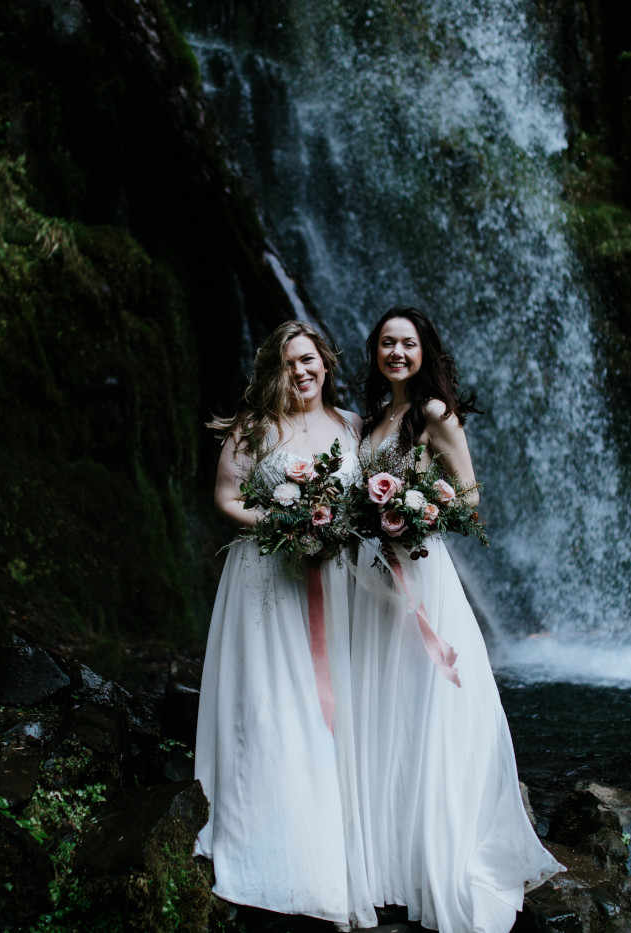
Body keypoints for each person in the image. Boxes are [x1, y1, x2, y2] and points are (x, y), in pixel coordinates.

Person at [351, 306, 563, 933]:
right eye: (386, 343)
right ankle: (386, 860)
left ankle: (435, 856)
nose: (396, 353)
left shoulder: (433, 415)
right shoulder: (374, 419)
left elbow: (467, 496)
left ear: (424, 351)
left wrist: (415, 514)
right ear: (376, 353)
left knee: (426, 708)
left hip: (421, 575)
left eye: (406, 344)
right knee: (384, 709)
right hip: (374, 582)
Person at [194, 320, 378, 930]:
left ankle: (330, 838)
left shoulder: (352, 426)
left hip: (335, 585)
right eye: (290, 364)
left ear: (326, 363)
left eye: (310, 360)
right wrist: (282, 525)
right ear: (276, 371)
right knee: (272, 705)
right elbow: (226, 498)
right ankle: (267, 839)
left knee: (332, 710)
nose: (302, 372)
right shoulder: (256, 428)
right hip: (267, 582)